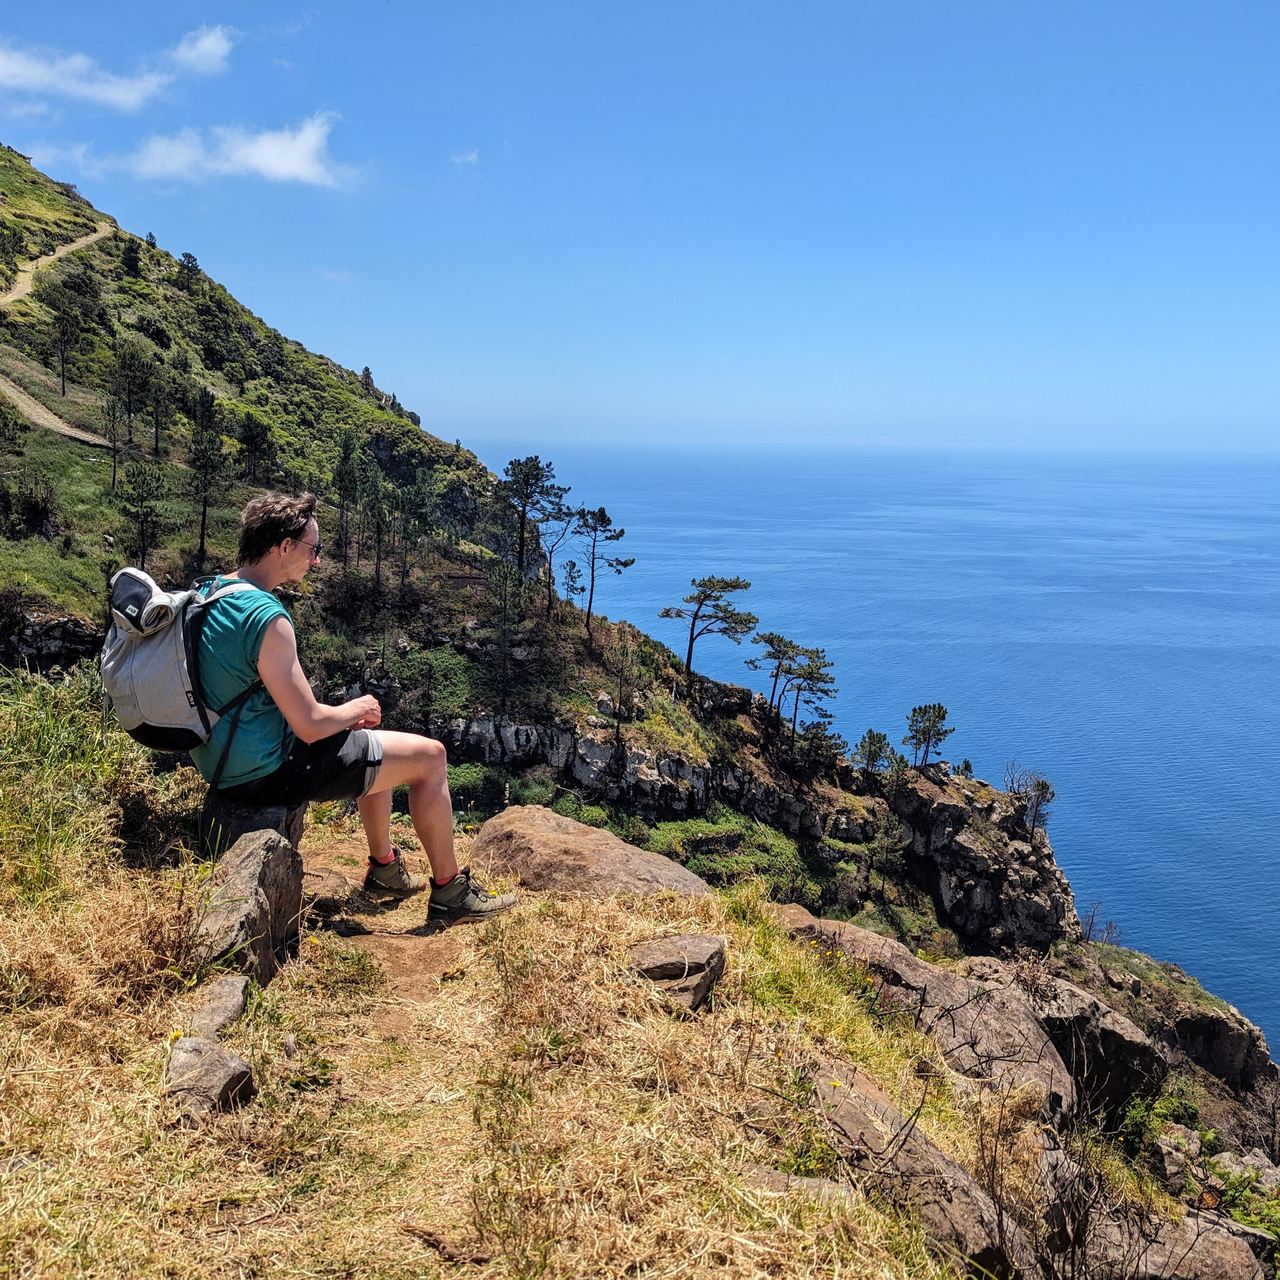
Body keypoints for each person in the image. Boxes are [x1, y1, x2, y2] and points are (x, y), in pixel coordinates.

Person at [189, 490, 515, 924]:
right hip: (269, 769)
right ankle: (450, 893)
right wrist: (354, 706)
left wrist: (346, 718)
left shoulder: (211, 592)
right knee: (431, 758)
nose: (317, 561)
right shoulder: (267, 618)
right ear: (284, 547)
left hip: (223, 761)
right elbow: (308, 725)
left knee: (371, 744)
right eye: (313, 549)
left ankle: (384, 868)